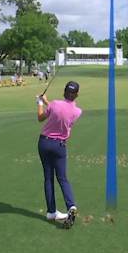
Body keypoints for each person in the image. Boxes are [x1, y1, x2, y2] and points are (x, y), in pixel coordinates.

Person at [36, 81, 82, 228]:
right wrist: (46, 102)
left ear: (64, 92)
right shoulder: (77, 112)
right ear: (77, 95)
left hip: (44, 143)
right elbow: (60, 112)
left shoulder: (55, 104)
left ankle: (51, 212)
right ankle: (71, 206)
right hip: (59, 146)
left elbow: (41, 117)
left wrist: (40, 103)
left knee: (48, 178)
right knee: (62, 178)